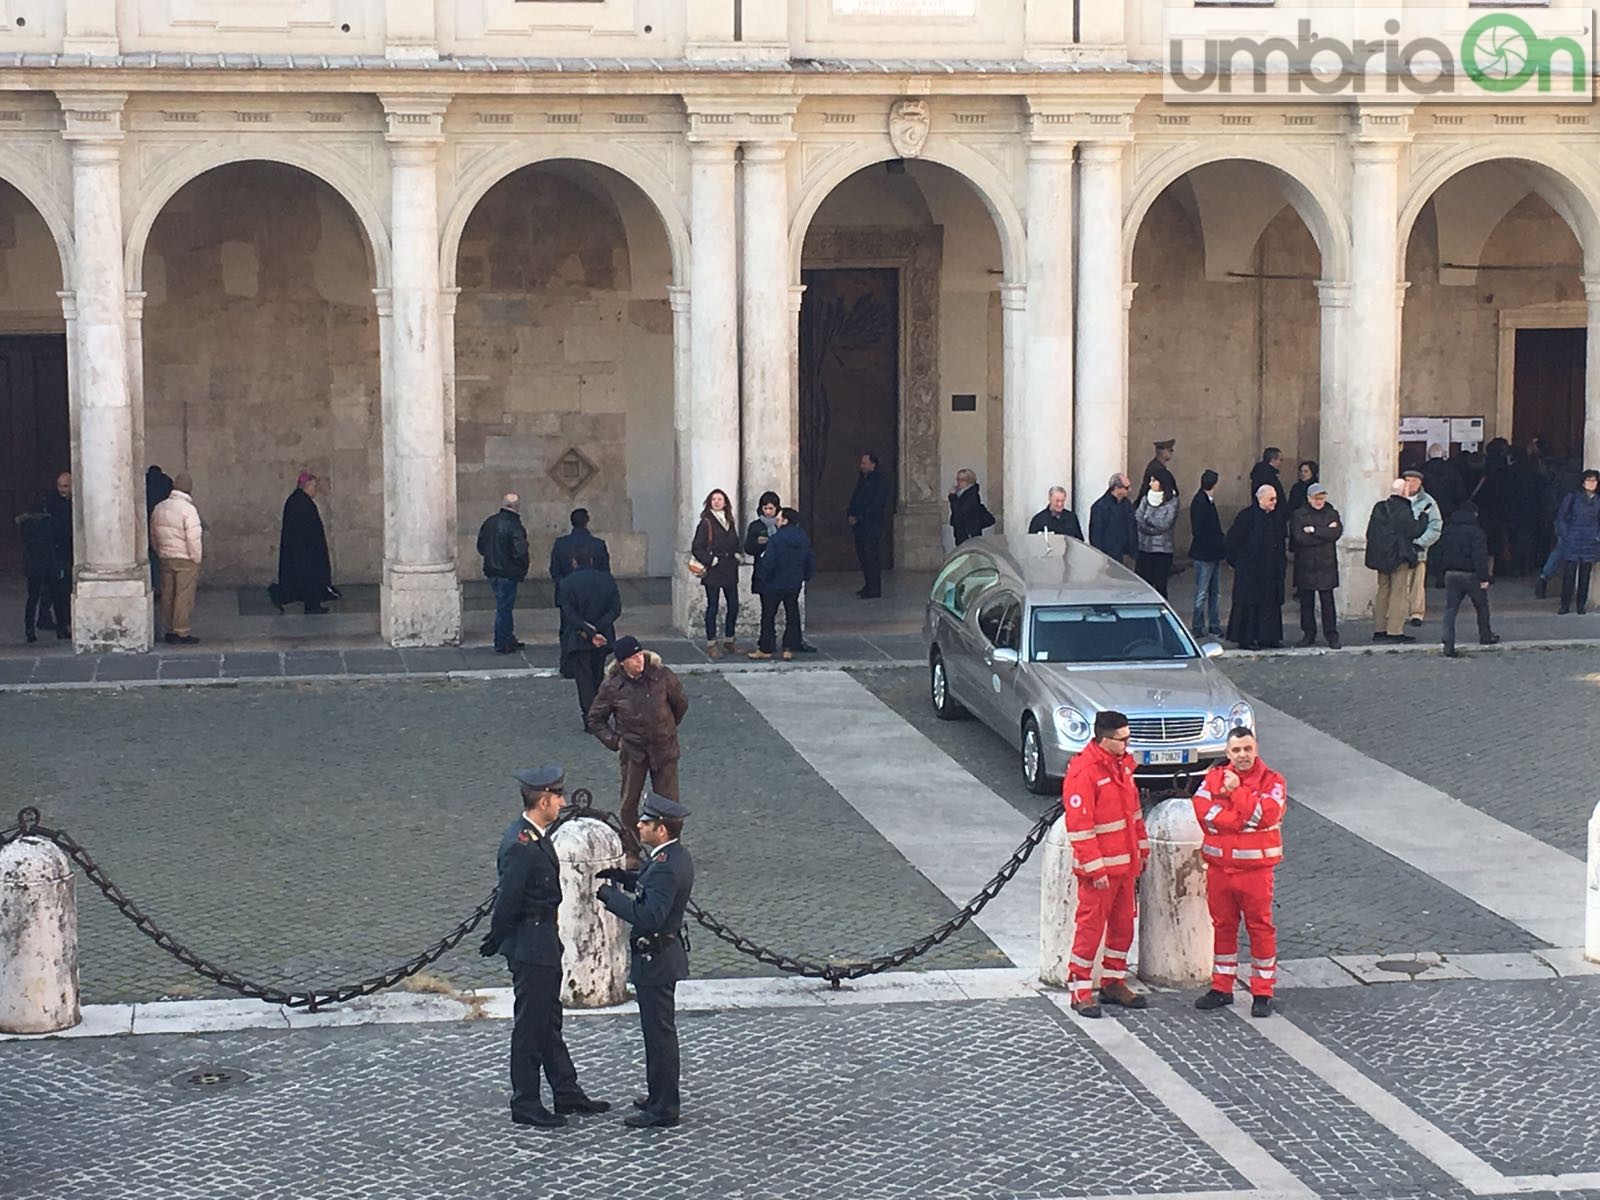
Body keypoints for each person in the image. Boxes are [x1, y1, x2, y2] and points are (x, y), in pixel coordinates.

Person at [478, 765, 609, 1129]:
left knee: (549, 1021)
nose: (563, 802)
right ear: (544, 800)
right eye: (558, 797)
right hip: (531, 944)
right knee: (530, 1027)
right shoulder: (521, 845)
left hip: (543, 942)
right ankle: (526, 1101)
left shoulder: (535, 836)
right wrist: (499, 934)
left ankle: (566, 1091)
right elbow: (509, 898)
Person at [597, 792, 696, 1129]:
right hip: (659, 958)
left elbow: (651, 915)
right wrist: (624, 878)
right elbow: (650, 884)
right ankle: (657, 1095)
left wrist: (612, 899)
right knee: (656, 1033)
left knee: (659, 1035)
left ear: (662, 830)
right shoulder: (670, 858)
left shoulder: (666, 867)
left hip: (657, 960)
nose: (639, 825)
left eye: (646, 822)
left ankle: (664, 1107)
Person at [1191, 727, 1286, 1019]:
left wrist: (1237, 793)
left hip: (1256, 872)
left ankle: (1262, 991)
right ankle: (1221, 987)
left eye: (1247, 748)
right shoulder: (1213, 778)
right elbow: (1202, 813)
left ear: (1255, 748)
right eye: (1236, 750)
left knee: (1261, 929)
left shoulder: (1273, 781)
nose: (1242, 755)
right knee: (1223, 927)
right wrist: (1241, 817)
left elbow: (1266, 815)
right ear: (1227, 752)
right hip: (1220, 870)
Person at [1059, 710, 1149, 1018]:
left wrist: (1142, 850)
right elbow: (1080, 827)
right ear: (1104, 739)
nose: (1127, 743)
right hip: (1100, 872)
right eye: (1122, 739)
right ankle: (1080, 989)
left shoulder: (1121, 766)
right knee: (1090, 929)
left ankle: (1113, 980)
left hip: (1124, 867)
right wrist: (1095, 869)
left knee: (1123, 928)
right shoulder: (1085, 772)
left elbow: (1133, 813)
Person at [586, 634, 689, 865]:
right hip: (633, 752)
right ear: (622, 662)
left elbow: (680, 704)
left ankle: (670, 848)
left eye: (640, 655)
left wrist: (668, 728)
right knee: (629, 804)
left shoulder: (662, 676)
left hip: (664, 749)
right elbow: (595, 719)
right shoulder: (613, 686)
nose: (639, 660)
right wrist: (615, 741)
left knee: (670, 803)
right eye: (633, 658)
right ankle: (632, 849)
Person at [558, 544, 621, 722]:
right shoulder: (607, 580)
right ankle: (600, 713)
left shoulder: (567, 583)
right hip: (602, 636)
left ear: (574, 562)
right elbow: (615, 609)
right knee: (598, 674)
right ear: (591, 561)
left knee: (584, 679)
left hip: (580, 637)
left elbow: (569, 613)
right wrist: (598, 629)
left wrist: (588, 631)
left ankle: (590, 716)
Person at [1224, 486, 1287, 650]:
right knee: (1249, 605)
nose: (1274, 502)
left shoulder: (1275, 518)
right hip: (1250, 571)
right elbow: (1232, 541)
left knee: (1270, 604)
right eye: (1271, 499)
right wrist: (1239, 563)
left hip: (1271, 571)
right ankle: (1247, 638)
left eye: (1275, 499)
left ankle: (1268, 637)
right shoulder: (1247, 516)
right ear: (1260, 499)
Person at [749, 507, 815, 661]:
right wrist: (805, 576)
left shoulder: (776, 539)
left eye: (779, 519)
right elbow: (809, 559)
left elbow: (769, 562)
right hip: (794, 582)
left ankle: (766, 648)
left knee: (768, 615)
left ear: (785, 521)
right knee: (792, 613)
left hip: (774, 582)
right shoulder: (803, 537)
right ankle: (788, 648)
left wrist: (761, 577)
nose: (777, 522)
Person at [1364, 479, 1426, 642]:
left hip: (1381, 556)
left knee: (1383, 591)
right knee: (1398, 593)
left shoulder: (1379, 507)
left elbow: (1370, 532)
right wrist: (1424, 518)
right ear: (1403, 492)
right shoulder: (1403, 508)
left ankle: (1379, 629)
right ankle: (1395, 630)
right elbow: (1414, 530)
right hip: (1398, 557)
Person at [1435, 502, 1500, 656]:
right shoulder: (1476, 532)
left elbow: (1440, 554)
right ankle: (1485, 636)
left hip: (1451, 574)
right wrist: (1485, 577)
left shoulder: (1448, 530)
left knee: (1451, 609)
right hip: (1471, 575)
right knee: (1481, 606)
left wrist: (1440, 574)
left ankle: (1448, 641)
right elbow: (1480, 557)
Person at [268, 471, 338, 615]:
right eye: (314, 486)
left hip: (301, 550)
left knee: (299, 580)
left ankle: (311, 604)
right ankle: (284, 596)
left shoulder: (297, 500)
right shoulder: (301, 502)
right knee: (305, 578)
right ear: (306, 485)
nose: (315, 490)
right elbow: (308, 528)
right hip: (305, 551)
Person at [149, 473, 203, 646]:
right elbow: (193, 538)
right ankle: (181, 630)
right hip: (185, 559)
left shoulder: (160, 507)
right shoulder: (188, 510)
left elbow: (154, 535)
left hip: (165, 557)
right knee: (183, 596)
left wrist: (160, 552)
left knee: (168, 594)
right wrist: (196, 558)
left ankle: (169, 629)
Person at [1290, 483, 1342, 649]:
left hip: (1326, 564)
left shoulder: (1331, 512)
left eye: (1322, 498)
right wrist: (1324, 532)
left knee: (1328, 603)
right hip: (1306, 564)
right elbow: (1299, 537)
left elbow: (1336, 533)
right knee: (1306, 603)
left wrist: (1313, 530)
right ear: (1309, 499)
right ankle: (1308, 634)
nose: (1320, 501)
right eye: (1316, 498)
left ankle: (1331, 635)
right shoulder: (1299, 515)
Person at [691, 488, 741, 657]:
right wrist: (711, 560)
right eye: (714, 499)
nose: (717, 502)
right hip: (714, 569)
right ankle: (711, 643)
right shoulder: (706, 523)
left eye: (720, 499)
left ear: (725, 502)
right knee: (713, 606)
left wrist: (737, 554)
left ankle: (729, 639)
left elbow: (734, 541)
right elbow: (697, 547)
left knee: (733, 605)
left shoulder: (730, 521)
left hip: (729, 568)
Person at [477, 494, 530, 654]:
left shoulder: (490, 522)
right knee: (504, 608)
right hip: (507, 572)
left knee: (504, 605)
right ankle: (502, 642)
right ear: (516, 507)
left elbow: (480, 546)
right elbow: (520, 551)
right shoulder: (514, 525)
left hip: (492, 570)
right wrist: (521, 567)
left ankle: (508, 637)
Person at [1555, 469, 1600, 615]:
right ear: (1582, 481)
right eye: (1588, 480)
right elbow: (1561, 517)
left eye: (1594, 481)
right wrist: (1565, 534)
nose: (1591, 484)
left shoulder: (1598, 500)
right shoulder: (1572, 497)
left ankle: (1581, 605)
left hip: (1590, 540)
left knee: (1585, 575)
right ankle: (1565, 604)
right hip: (1573, 538)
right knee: (1569, 574)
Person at [847, 451, 891, 599]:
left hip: (871, 525)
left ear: (873, 465)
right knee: (863, 556)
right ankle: (868, 585)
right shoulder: (863, 479)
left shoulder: (880, 481)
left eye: (865, 463)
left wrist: (859, 517)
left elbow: (876, 505)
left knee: (872, 557)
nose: (862, 466)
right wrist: (850, 514)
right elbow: (856, 498)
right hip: (860, 526)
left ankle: (874, 588)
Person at [1402, 469, 1442, 625]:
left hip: (1418, 548)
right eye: (1407, 480)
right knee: (1400, 582)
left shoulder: (1428, 502)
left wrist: (1421, 542)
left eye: (1413, 480)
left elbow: (1435, 526)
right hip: (1400, 548)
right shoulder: (1397, 499)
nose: (1410, 484)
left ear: (1420, 483)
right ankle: (1401, 611)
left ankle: (1416, 613)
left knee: (1417, 583)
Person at [1188, 469, 1226, 638]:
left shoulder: (1203, 501)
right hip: (1206, 553)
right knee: (1204, 592)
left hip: (1210, 553)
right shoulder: (1201, 502)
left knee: (1212, 592)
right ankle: (1199, 626)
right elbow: (1202, 529)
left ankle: (1212, 624)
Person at [15, 493, 55, 643]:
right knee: (49, 593)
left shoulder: (25, 523)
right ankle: (45, 618)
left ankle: (29, 628)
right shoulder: (47, 522)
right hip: (46, 562)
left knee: (32, 597)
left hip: (32, 564)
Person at [1134, 475, 1178, 597]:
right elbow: (1138, 518)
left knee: (1160, 584)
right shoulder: (1145, 498)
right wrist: (1149, 525)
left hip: (1162, 550)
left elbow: (1165, 524)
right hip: (1144, 548)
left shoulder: (1172, 501)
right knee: (1144, 583)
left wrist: (1148, 522)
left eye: (1154, 481)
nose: (1150, 484)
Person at [549, 508, 610, 588]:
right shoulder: (599, 545)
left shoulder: (560, 544)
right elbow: (605, 573)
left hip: (566, 593)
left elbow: (554, 571)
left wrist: (564, 586)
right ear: (587, 522)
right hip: (593, 592)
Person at [43, 470, 72, 637]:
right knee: (58, 593)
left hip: (68, 553)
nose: (62, 489)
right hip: (57, 555)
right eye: (60, 486)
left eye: (66, 486)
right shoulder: (51, 503)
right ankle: (61, 626)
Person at [1088, 474, 1137, 565]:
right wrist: (1101, 557)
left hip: (1127, 554)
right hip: (1108, 557)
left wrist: (1133, 552)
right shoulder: (1100, 507)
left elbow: (1132, 528)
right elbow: (1095, 535)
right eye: (1126, 487)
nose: (1129, 490)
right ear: (1116, 488)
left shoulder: (1127, 505)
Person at [947, 468, 995, 545]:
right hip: (963, 531)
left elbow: (959, 511)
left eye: (963, 480)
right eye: (958, 479)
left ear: (970, 481)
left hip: (968, 532)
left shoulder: (971, 495)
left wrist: (952, 497)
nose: (959, 482)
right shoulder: (961, 494)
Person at [145, 464, 173, 594]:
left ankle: (152, 585)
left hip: (146, 520)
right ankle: (162, 588)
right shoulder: (166, 481)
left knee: (150, 555)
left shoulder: (144, 481)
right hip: (163, 520)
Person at [1249, 448, 1288, 514]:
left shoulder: (1263, 473)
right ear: (1273, 460)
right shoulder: (1266, 475)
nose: (1281, 463)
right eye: (1280, 460)